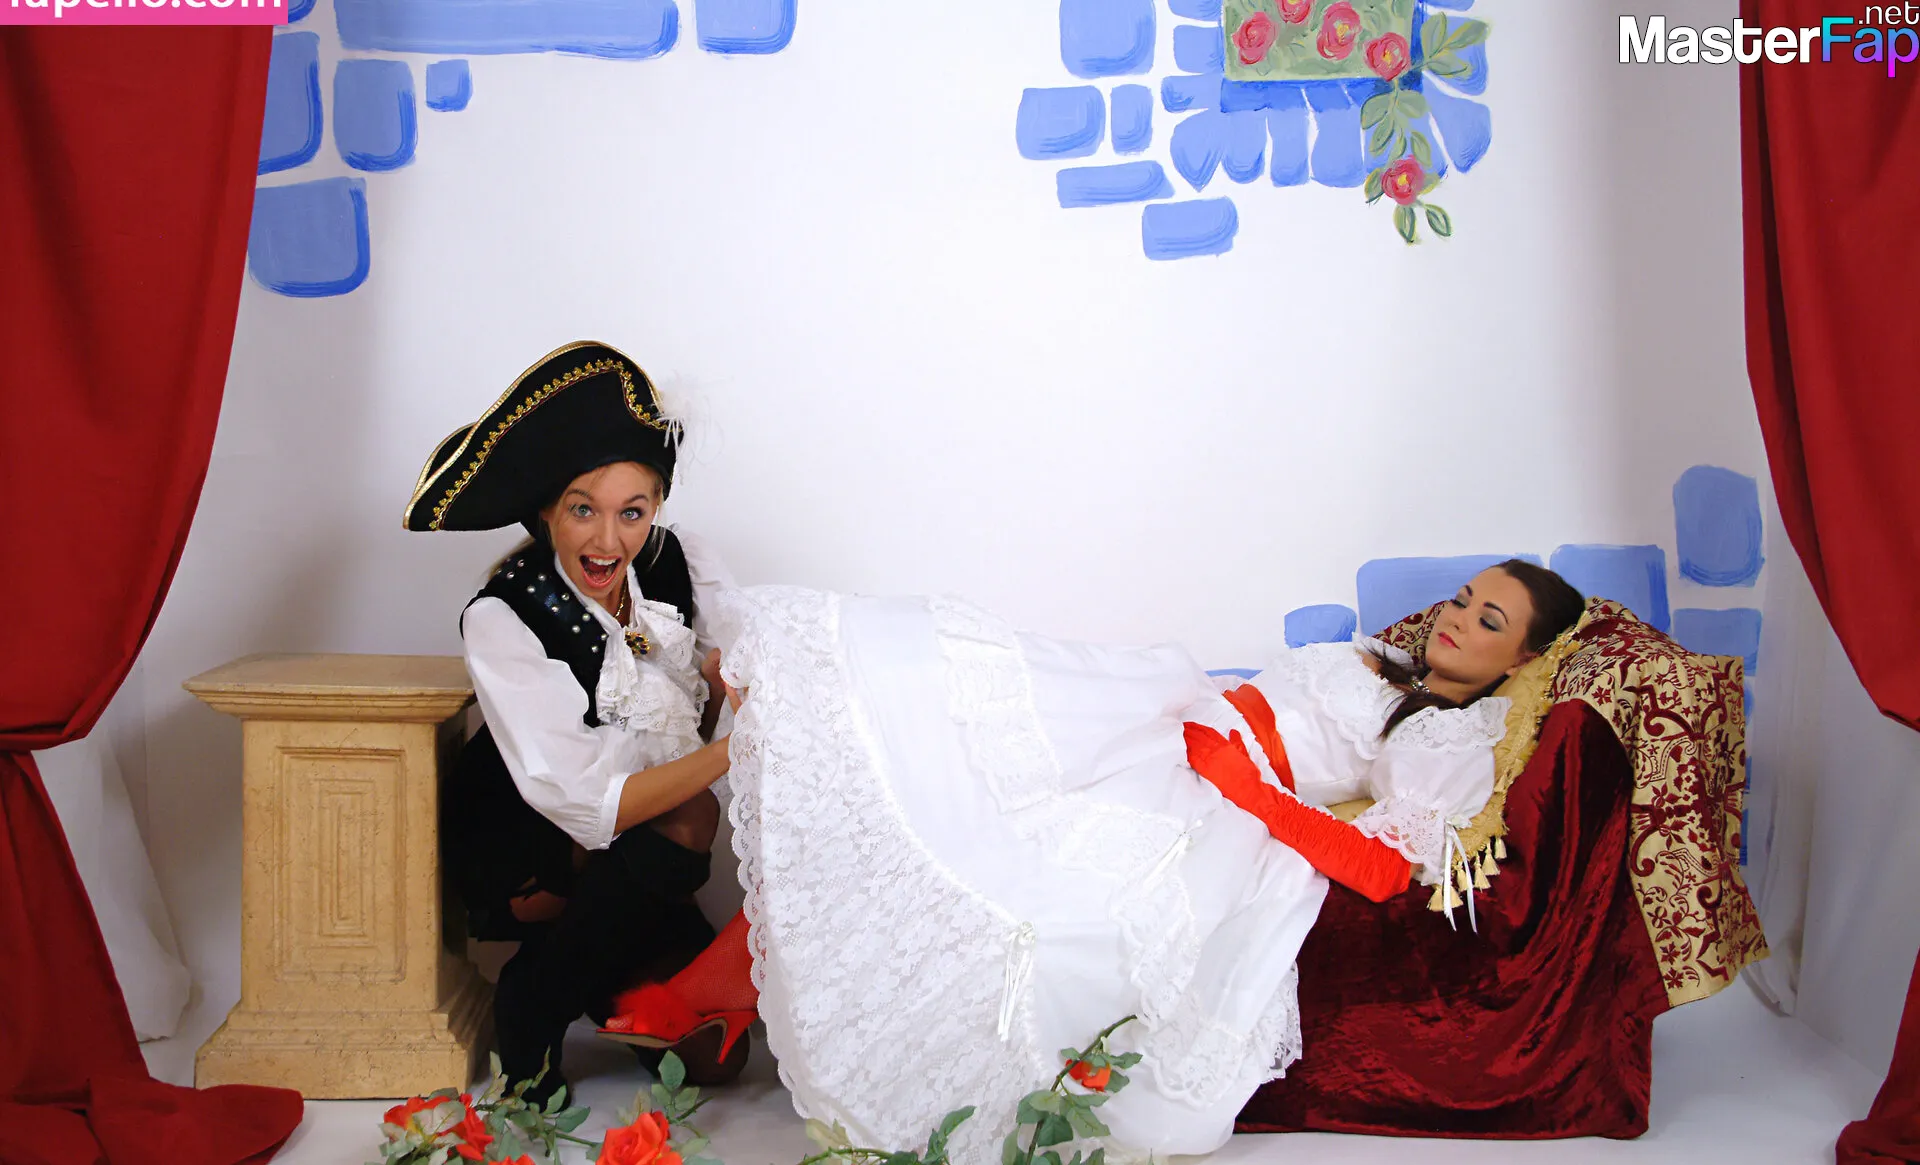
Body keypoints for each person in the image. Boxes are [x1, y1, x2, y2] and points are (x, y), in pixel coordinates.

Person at [693, 560, 1583, 1163]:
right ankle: (789, 682)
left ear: (1526, 656)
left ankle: (828, 1033)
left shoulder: (1447, 737)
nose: (1457, 619)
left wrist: (1246, 786)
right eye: (1463, 598)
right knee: (971, 682)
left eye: (1488, 620)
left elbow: (1385, 867)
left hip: (1220, 788)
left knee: (1034, 886)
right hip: (1178, 713)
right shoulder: (1381, 657)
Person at [404, 341, 744, 1100]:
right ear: (547, 508)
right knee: (692, 814)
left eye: (633, 512)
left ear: (656, 507)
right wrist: (738, 749)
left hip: (635, 859)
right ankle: (533, 999)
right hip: (532, 845)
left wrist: (730, 686)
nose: (607, 540)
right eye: (583, 509)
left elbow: (722, 678)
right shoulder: (502, 616)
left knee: (716, 1060)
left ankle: (575, 965)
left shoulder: (677, 566)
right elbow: (588, 801)